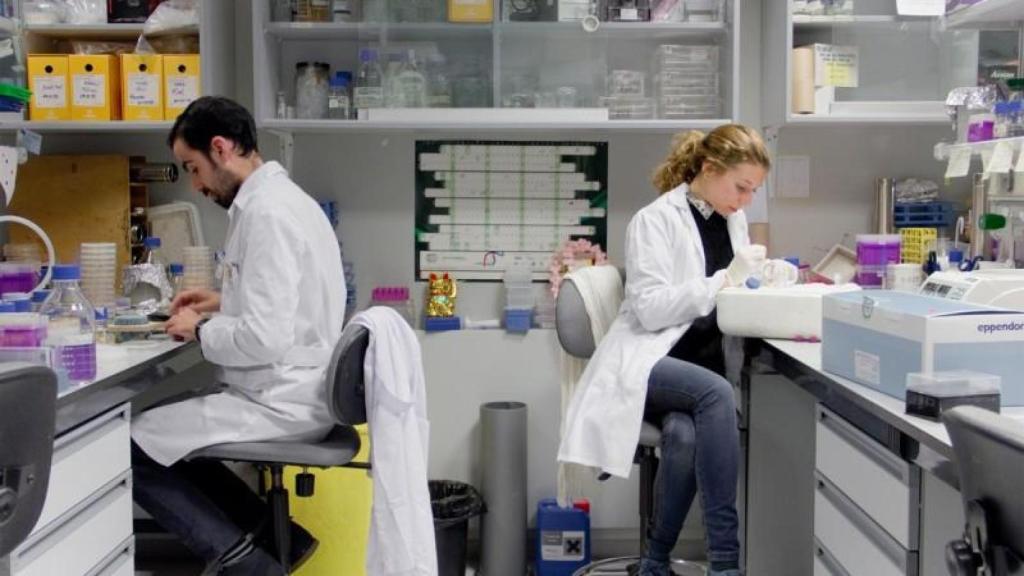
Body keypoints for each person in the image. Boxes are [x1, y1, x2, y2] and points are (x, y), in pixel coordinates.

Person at [130, 96, 346, 575]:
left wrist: (201, 328)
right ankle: (274, 536)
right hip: (294, 385)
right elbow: (287, 307)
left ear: (221, 148)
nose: (196, 184)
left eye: (193, 168)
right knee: (165, 432)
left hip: (282, 398)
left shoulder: (267, 213)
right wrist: (221, 302)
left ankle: (246, 566)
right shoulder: (282, 201)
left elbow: (266, 338)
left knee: (134, 442)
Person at [558, 125, 770, 576]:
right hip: (652, 360)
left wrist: (760, 284)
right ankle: (726, 563)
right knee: (716, 395)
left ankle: (654, 561)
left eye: (753, 191)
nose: (746, 200)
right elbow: (652, 310)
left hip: (701, 365)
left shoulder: (732, 218)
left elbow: (723, 296)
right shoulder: (654, 220)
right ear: (710, 169)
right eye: (741, 187)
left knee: (685, 435)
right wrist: (725, 279)